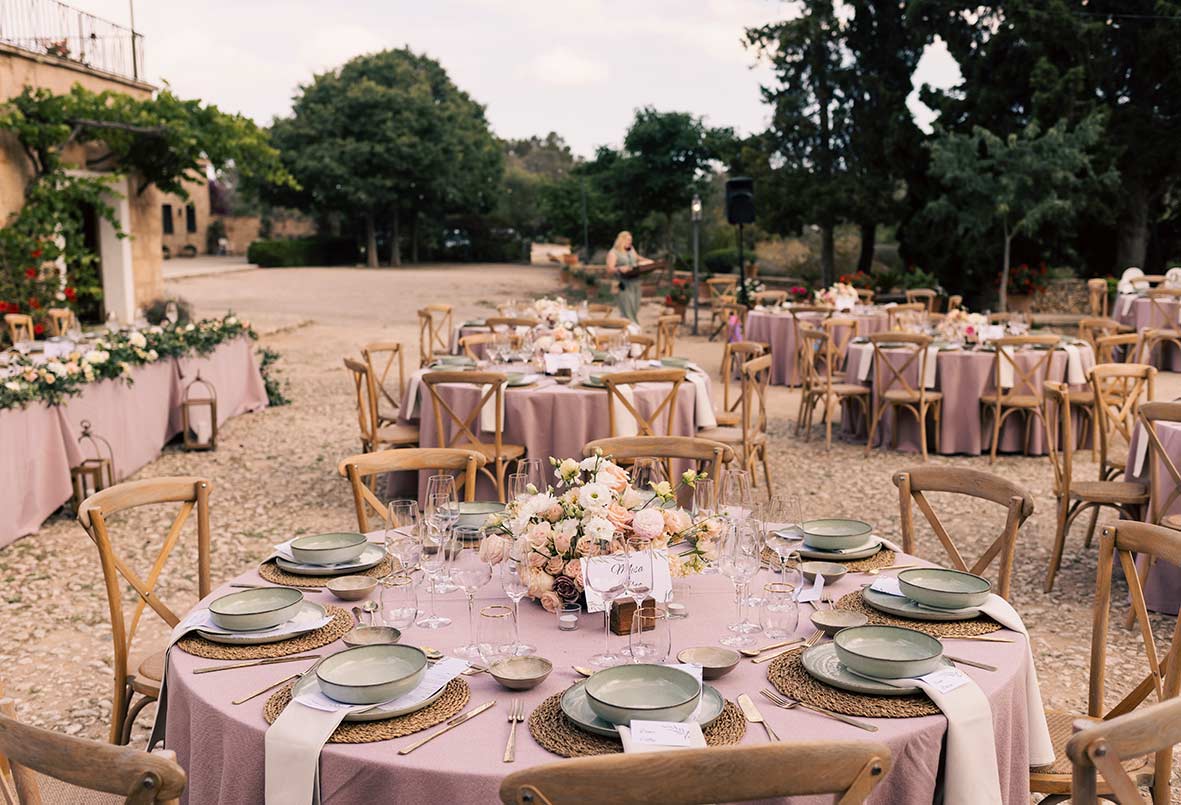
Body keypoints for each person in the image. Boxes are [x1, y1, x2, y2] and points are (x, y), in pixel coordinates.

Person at [605, 231, 651, 324]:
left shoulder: (631, 249)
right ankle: (634, 328)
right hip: (623, 284)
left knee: (635, 308)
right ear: (621, 240)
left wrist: (649, 261)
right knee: (627, 309)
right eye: (628, 240)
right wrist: (619, 268)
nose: (630, 242)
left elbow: (637, 258)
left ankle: (630, 328)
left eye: (631, 240)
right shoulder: (613, 252)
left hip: (636, 283)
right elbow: (609, 269)